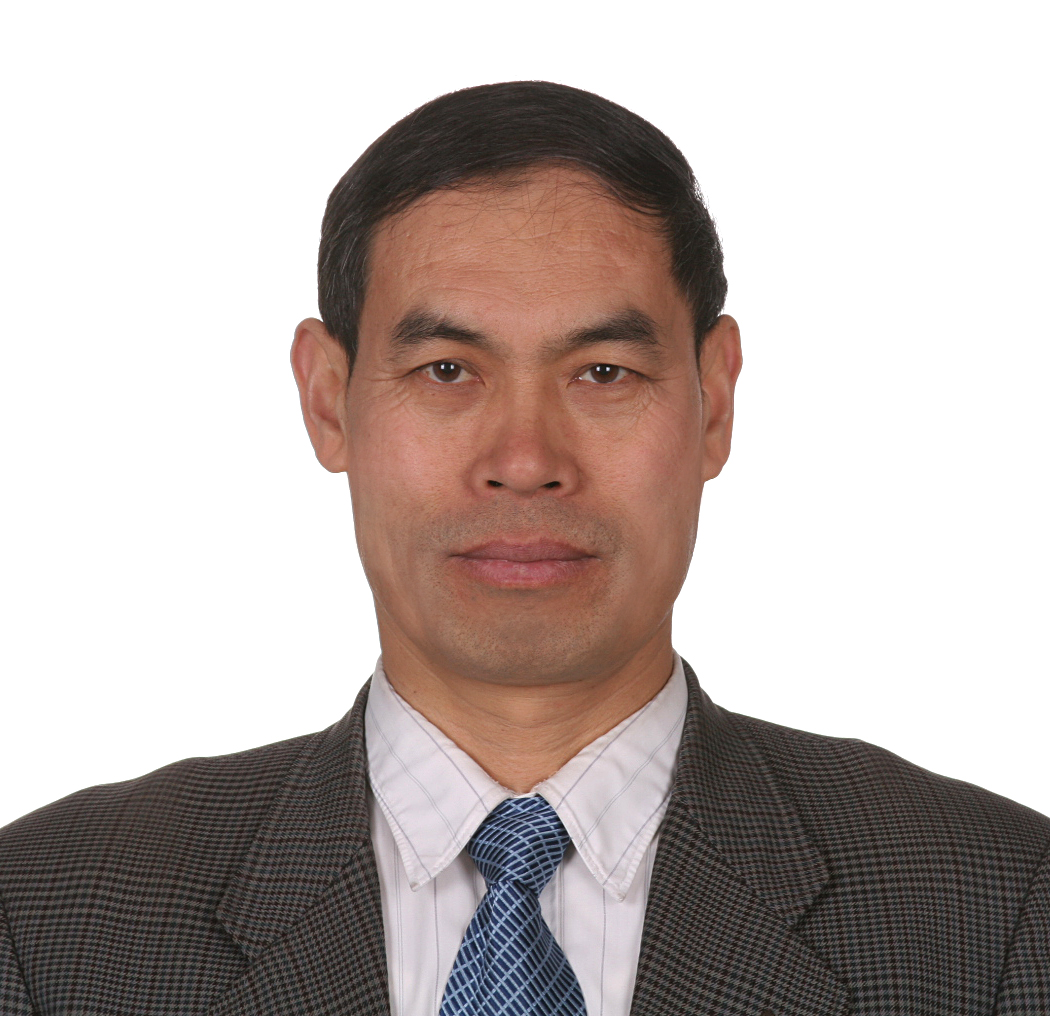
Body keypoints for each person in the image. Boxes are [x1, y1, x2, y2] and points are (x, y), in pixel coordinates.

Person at [1, 80, 1047, 1016]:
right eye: (448, 370)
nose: (526, 460)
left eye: (603, 372)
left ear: (715, 401)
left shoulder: (997, 908)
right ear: (328, 400)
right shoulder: (47, 915)